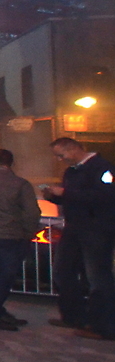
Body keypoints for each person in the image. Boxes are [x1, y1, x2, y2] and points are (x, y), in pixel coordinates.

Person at [44, 137, 115, 341]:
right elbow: (73, 198)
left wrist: (66, 193)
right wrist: (54, 196)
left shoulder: (102, 168)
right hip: (74, 229)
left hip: (96, 230)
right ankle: (74, 316)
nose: (60, 160)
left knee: (98, 277)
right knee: (63, 271)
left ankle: (102, 326)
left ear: (74, 149)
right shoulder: (72, 171)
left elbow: (106, 196)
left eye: (61, 155)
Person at [0, 149, 41, 331]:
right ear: (11, 163)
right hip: (11, 235)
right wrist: (29, 233)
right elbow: (32, 212)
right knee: (5, 275)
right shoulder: (20, 184)